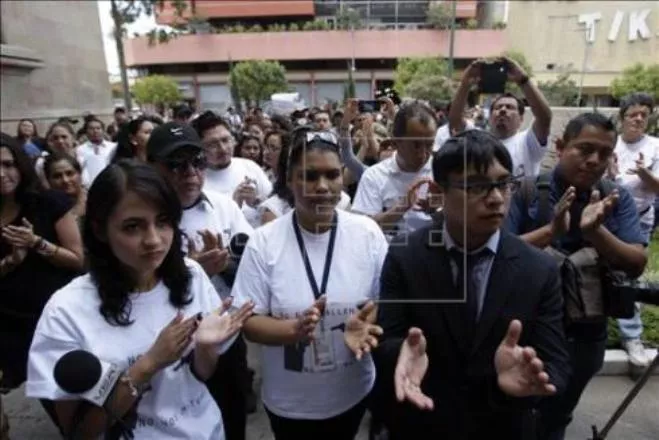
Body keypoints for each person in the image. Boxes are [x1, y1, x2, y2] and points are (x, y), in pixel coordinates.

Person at [26, 160, 254, 439]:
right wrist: (149, 363)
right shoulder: (66, 311)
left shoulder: (191, 274)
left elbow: (198, 376)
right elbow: (80, 431)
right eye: (133, 227)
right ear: (100, 229)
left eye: (163, 221)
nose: (154, 240)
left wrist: (206, 349)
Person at [367, 130, 570, 439]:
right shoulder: (405, 257)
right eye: (476, 186)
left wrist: (529, 380)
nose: (497, 198)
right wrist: (401, 352)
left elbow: (556, 363)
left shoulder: (539, 269)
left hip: (502, 427)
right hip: (422, 424)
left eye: (503, 183)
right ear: (437, 193)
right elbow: (386, 339)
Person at [231, 127, 389, 439]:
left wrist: (371, 319)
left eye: (332, 174)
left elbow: (388, 298)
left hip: (353, 392)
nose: (322, 186)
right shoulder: (264, 242)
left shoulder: (367, 233)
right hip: (290, 403)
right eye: (309, 176)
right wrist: (292, 330)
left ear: (343, 177)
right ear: (290, 179)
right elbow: (247, 320)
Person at [505, 113, 647, 440]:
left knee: (558, 414)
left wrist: (595, 233)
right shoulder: (526, 190)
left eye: (604, 152)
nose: (594, 160)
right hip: (528, 331)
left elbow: (636, 262)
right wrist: (551, 231)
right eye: (584, 149)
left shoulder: (616, 197)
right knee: (515, 412)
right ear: (560, 146)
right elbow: (500, 254)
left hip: (586, 335)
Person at [148, 121, 256, 439]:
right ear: (152, 167)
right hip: (167, 346)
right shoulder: (143, 216)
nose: (190, 173)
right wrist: (192, 272)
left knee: (232, 415)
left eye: (197, 162)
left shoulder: (223, 206)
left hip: (224, 338)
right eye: (176, 165)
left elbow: (250, 261)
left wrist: (225, 266)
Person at [1, 133, 84, 392]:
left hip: (56, 319)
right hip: (11, 326)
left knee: (68, 393)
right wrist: (10, 262)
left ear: (20, 165)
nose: (2, 173)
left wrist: (37, 243)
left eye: (7, 164)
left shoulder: (48, 203)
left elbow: (78, 260)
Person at [608, 93, 659, 369]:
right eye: (632, 114)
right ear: (622, 118)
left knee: (631, 273)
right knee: (597, 270)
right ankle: (596, 325)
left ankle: (632, 336)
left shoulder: (655, 146)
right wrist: (612, 174)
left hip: (639, 221)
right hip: (606, 218)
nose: (638, 119)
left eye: (643, 114)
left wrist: (644, 175)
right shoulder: (610, 143)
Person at [449, 56, 552, 177]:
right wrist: (465, 84)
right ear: (490, 116)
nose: (503, 110)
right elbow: (455, 122)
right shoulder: (477, 139)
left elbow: (544, 118)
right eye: (498, 107)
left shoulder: (527, 142)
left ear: (521, 119)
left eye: (510, 107)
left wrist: (523, 80)